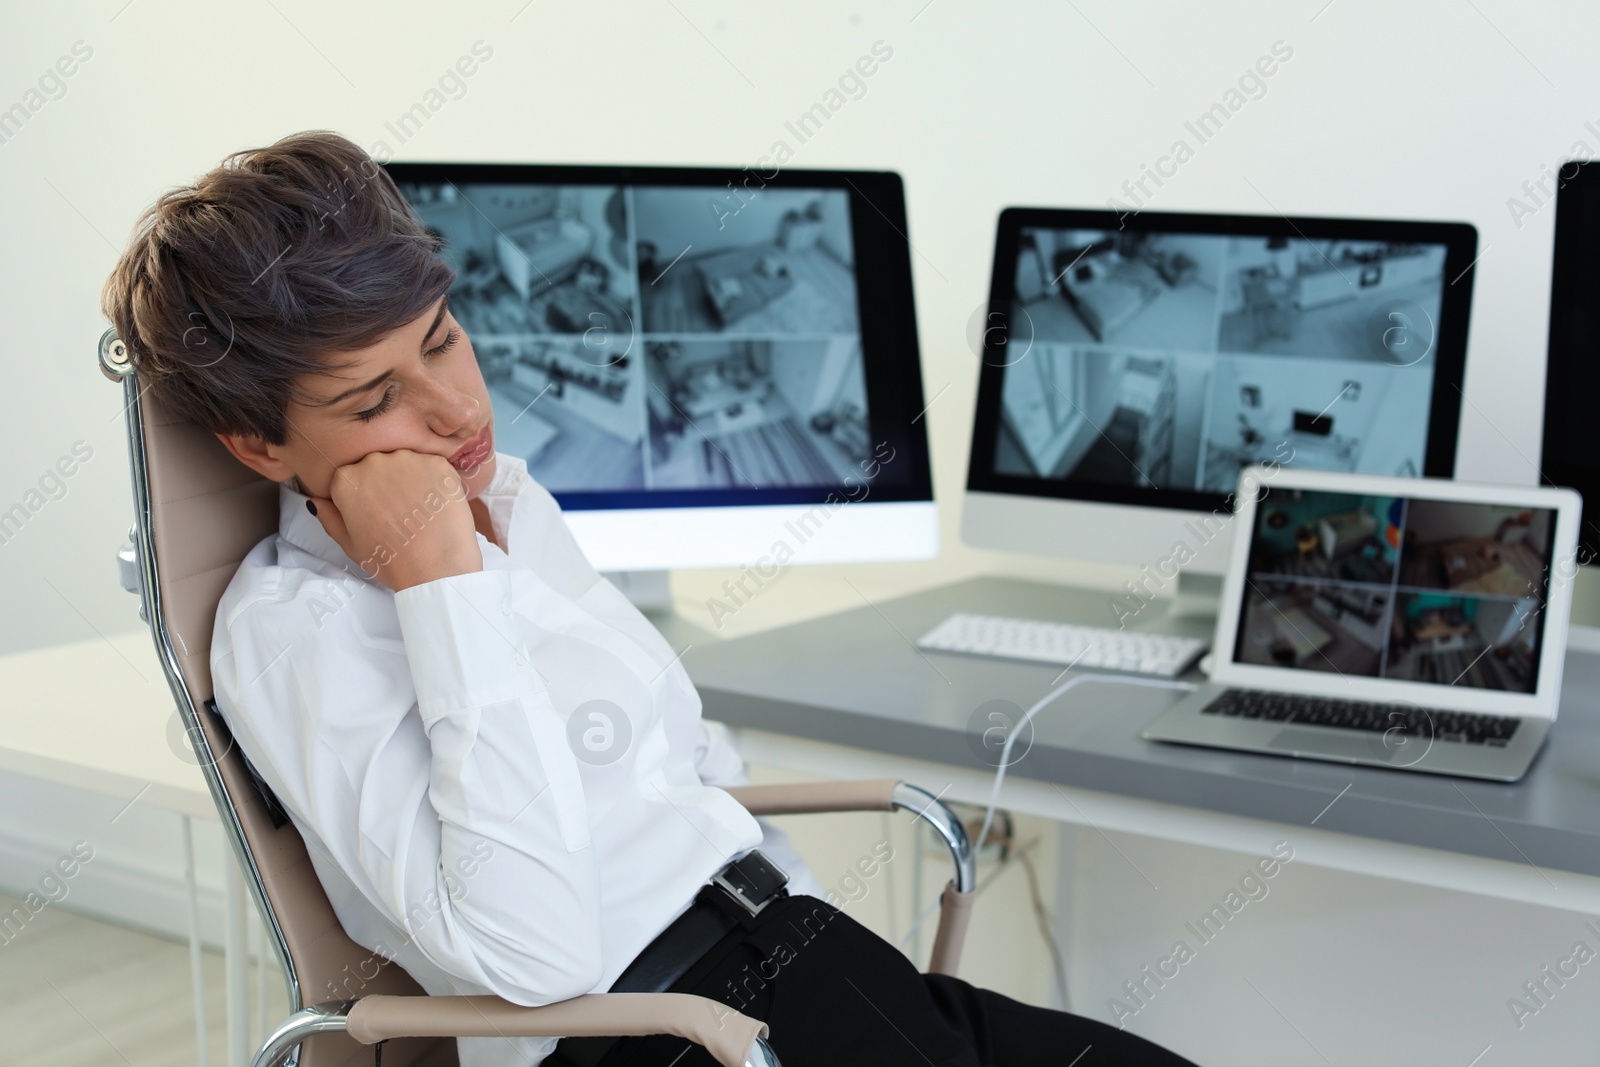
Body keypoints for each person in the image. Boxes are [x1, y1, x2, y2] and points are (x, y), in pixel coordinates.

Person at [99, 130, 1202, 1067]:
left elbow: (684, 765)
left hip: (797, 962)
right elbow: (536, 958)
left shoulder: (512, 501)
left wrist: (815, 943)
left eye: (443, 337)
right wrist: (437, 586)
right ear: (257, 443)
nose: (452, 406)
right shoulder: (294, 633)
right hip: (652, 1031)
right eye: (375, 398)